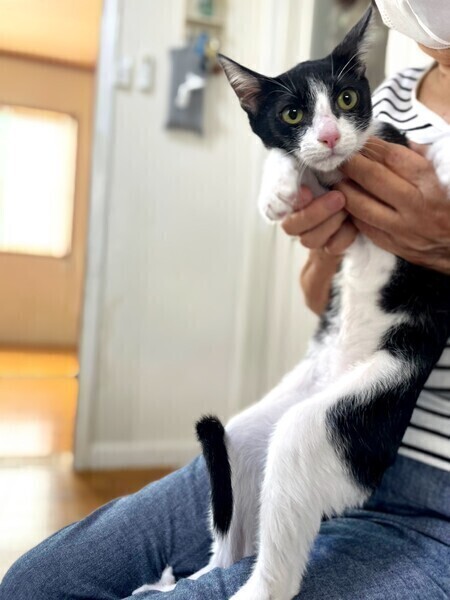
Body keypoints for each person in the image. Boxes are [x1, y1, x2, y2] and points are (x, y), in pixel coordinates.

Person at [1, 3, 449, 599]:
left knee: (293, 440)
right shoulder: (385, 96)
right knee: (35, 584)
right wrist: (326, 240)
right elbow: (320, 296)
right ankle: (224, 561)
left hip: (429, 495)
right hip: (332, 380)